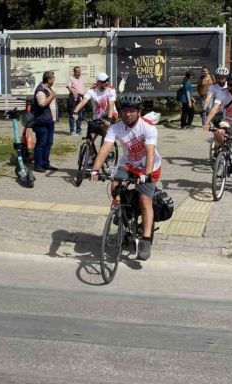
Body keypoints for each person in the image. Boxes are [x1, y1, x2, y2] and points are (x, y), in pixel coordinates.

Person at [89, 93, 161, 261]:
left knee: (145, 200)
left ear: (139, 111)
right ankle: (122, 214)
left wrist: (146, 175)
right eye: (125, 111)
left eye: (132, 111)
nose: (128, 114)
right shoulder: (116, 128)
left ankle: (146, 240)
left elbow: (150, 153)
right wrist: (94, 170)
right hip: (127, 164)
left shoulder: (148, 127)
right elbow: (105, 148)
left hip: (149, 167)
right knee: (115, 186)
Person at [71, 72, 117, 141]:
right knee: (90, 139)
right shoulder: (92, 91)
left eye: (107, 80)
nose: (107, 83)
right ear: (98, 82)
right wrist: (75, 112)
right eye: (104, 81)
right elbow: (83, 101)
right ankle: (89, 147)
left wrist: (109, 118)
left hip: (111, 114)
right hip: (97, 117)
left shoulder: (111, 89)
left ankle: (105, 143)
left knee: (104, 128)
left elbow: (111, 105)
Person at [32, 71, 58, 173]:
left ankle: (45, 163)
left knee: (48, 143)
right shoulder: (40, 90)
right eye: (53, 78)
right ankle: (38, 165)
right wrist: (51, 96)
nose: (54, 80)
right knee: (41, 143)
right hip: (42, 121)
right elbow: (42, 104)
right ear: (49, 79)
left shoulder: (48, 89)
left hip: (49, 121)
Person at [66, 66, 85, 136]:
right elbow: (68, 87)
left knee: (80, 114)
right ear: (74, 72)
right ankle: (72, 131)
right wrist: (73, 93)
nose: (79, 73)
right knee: (72, 114)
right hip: (73, 98)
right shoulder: (71, 78)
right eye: (77, 71)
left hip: (80, 98)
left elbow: (82, 88)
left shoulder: (81, 79)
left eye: (79, 71)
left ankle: (78, 130)